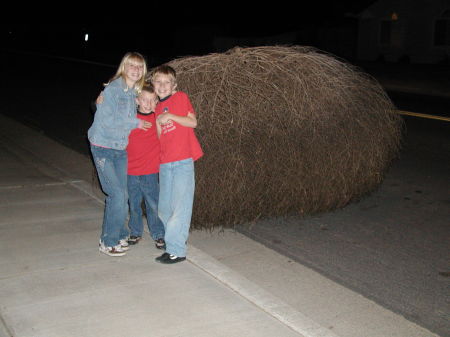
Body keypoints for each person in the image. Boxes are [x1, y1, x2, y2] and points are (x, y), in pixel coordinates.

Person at [88, 52, 151, 257]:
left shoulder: (134, 92)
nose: (135, 70)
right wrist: (136, 123)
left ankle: (119, 233)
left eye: (139, 67)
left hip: (119, 148)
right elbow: (106, 120)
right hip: (103, 147)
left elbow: (152, 97)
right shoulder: (114, 89)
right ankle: (108, 240)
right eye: (131, 66)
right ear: (124, 67)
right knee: (116, 194)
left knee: (121, 195)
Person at [151, 65, 203, 264]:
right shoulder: (156, 107)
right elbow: (160, 137)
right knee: (164, 209)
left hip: (182, 162)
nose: (162, 85)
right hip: (165, 164)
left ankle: (177, 250)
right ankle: (172, 244)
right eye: (158, 82)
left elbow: (193, 123)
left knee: (180, 209)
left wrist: (170, 116)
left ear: (174, 86)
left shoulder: (180, 97)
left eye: (167, 82)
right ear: (153, 85)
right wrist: (158, 121)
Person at [126, 84, 166, 249]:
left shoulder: (158, 118)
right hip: (131, 171)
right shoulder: (130, 119)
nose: (148, 104)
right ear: (137, 100)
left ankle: (158, 234)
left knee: (153, 204)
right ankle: (135, 232)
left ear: (156, 101)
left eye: (152, 100)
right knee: (134, 204)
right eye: (144, 100)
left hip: (150, 171)